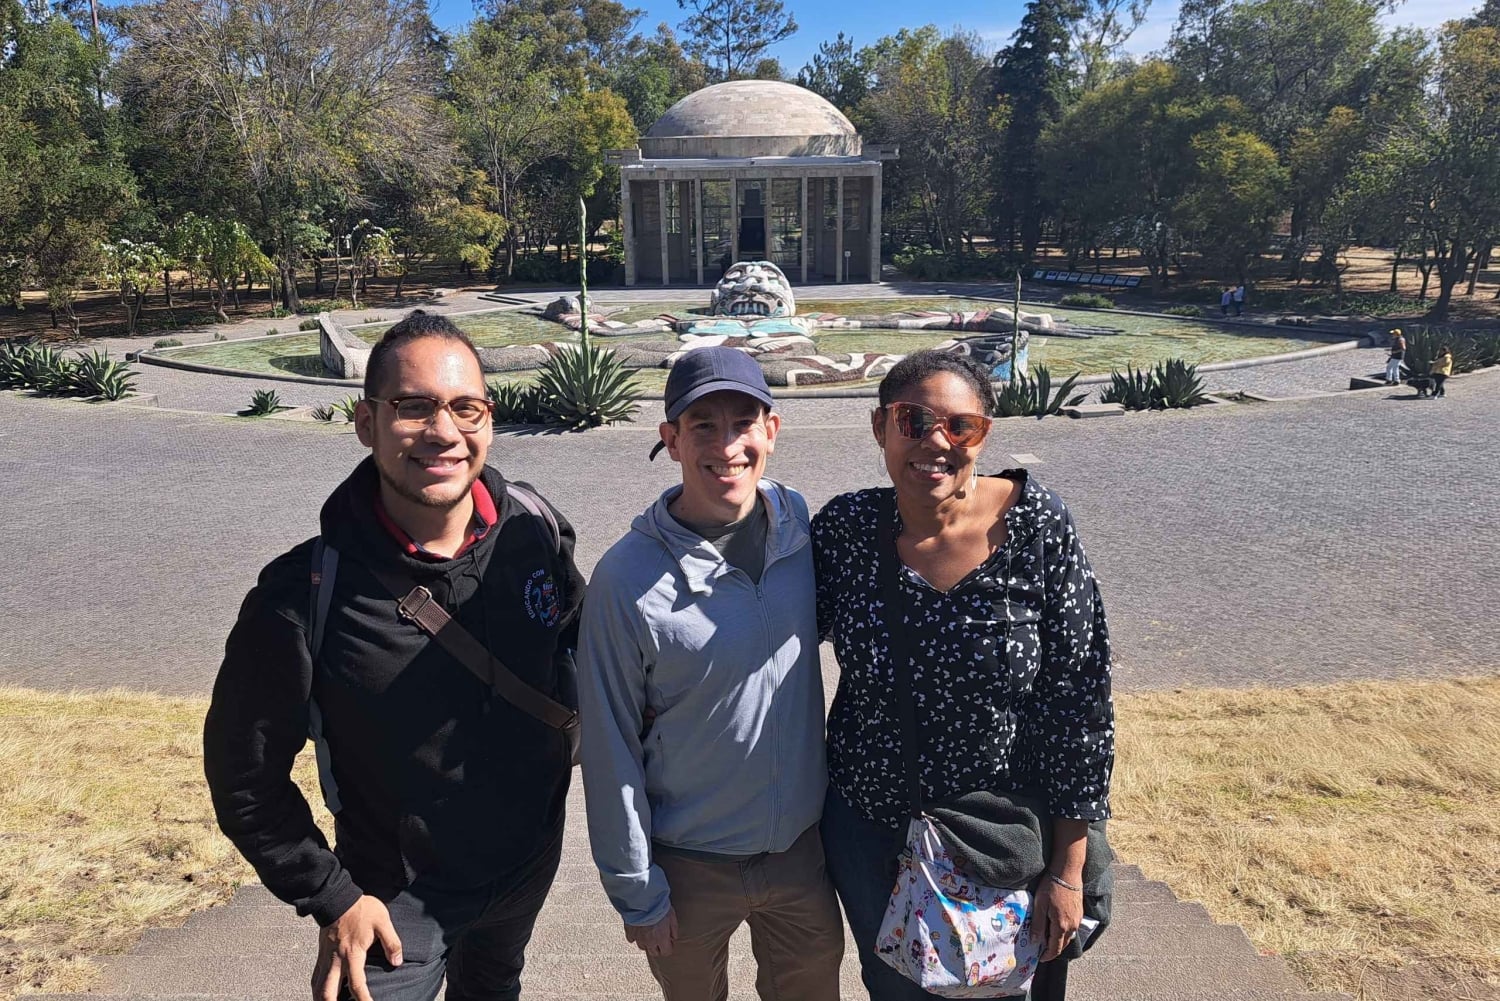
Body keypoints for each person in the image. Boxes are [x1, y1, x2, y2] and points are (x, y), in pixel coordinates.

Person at [204, 310, 585, 1001]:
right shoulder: (303, 592)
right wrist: (331, 893)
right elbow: (243, 774)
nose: (444, 431)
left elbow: (576, 643)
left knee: (496, 984)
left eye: (466, 407)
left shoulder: (534, 529)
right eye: (414, 406)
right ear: (366, 420)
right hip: (392, 904)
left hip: (526, 866)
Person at [813, 350, 1115, 1001]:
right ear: (879, 428)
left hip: (1005, 838)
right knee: (897, 992)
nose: (935, 442)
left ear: (985, 433)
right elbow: (764, 633)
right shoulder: (845, 531)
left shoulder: (1037, 526)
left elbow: (1080, 705)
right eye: (912, 420)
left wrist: (1068, 867)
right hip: (875, 833)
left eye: (960, 426)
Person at [577, 346, 844, 1001]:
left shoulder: (801, 529)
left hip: (800, 855)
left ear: (772, 431)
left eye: (743, 422)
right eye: (702, 425)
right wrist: (636, 888)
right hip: (688, 864)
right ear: (670, 440)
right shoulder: (625, 580)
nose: (726, 445)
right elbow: (608, 746)